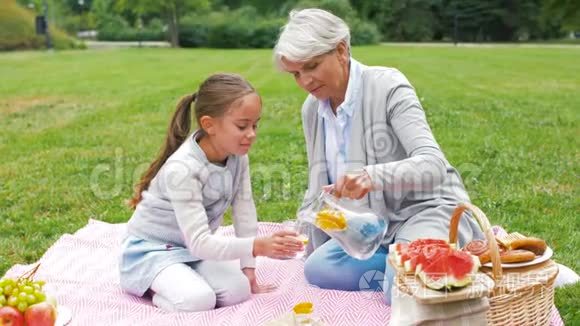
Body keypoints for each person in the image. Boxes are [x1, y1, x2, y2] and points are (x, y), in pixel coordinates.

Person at [273, 9, 484, 304]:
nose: (305, 81)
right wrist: (302, 228)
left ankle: (439, 264)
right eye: (296, 73)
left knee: (402, 293)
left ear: (341, 50)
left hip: (423, 210)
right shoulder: (312, 109)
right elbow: (318, 183)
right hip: (373, 227)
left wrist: (372, 176)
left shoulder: (388, 86)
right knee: (318, 268)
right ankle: (399, 265)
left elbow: (433, 164)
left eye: (312, 66)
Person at [119, 73, 303, 312]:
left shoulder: (237, 157)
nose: (252, 134)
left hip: (191, 251)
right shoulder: (183, 168)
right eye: (242, 126)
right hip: (150, 252)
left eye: (255, 124)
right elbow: (200, 243)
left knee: (238, 290)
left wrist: (249, 269)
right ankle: (150, 286)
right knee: (198, 301)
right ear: (209, 125)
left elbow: (244, 213)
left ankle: (184, 277)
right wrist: (256, 245)